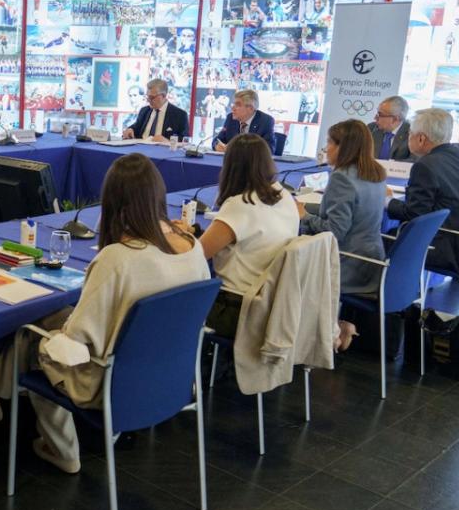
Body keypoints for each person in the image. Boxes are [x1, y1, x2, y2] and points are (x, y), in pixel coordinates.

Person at [0, 154, 209, 473]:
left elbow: (75, 340)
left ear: (113, 203)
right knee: (52, 317)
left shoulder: (118, 259)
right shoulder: (192, 245)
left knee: (35, 341)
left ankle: (60, 447)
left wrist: (52, 337)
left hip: (105, 381)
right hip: (169, 373)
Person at [191, 134, 299, 337]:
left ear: (231, 166)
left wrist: (180, 236)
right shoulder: (283, 195)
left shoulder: (241, 204)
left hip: (235, 308)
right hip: (271, 304)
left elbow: (197, 255)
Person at [299, 120, 387, 350]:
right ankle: (339, 325)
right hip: (371, 261)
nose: (326, 148)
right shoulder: (375, 173)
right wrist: (305, 208)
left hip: (347, 263)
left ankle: (317, 336)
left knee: (287, 268)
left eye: (329, 142)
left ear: (343, 147)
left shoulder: (342, 178)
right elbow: (346, 212)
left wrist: (303, 217)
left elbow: (334, 231)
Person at [387, 108, 459, 275]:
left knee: (381, 240)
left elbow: (414, 215)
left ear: (421, 138)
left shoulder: (425, 166)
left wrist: (386, 201)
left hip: (445, 249)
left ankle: (387, 297)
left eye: (409, 133)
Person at [121, 79, 188, 143]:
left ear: (163, 96)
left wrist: (167, 142)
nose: (148, 100)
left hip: (163, 152)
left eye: (152, 97)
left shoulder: (179, 115)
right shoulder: (144, 111)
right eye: (147, 97)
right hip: (140, 150)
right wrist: (130, 130)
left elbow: (184, 139)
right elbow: (136, 127)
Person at [368, 95, 413, 161]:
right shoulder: (371, 128)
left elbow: (413, 161)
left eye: (380, 114)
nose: (375, 118)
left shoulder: (412, 134)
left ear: (395, 119)